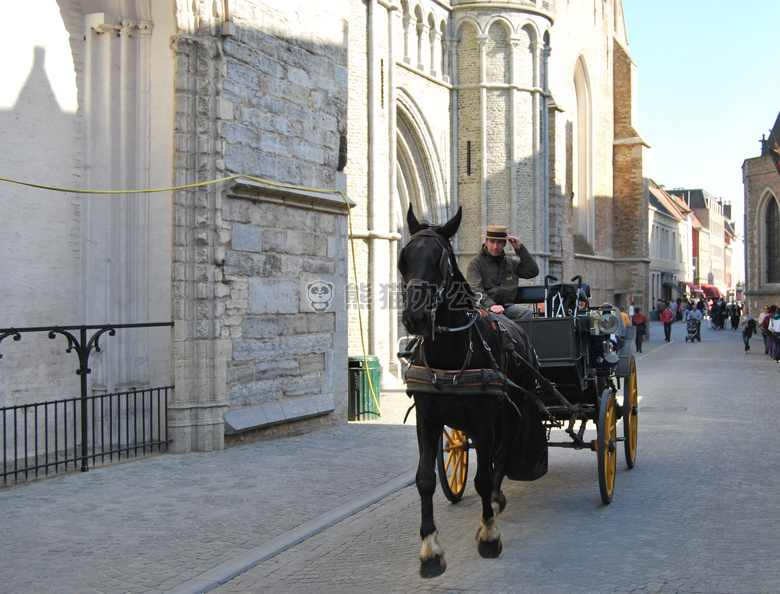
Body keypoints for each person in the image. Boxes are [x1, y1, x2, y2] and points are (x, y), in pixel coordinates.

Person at [465, 224, 539, 321]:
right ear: (486, 242)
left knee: (525, 313)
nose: (495, 246)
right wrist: (491, 306)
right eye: (492, 242)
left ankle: (518, 336)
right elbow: (475, 289)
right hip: (484, 309)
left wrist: (520, 249)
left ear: (504, 244)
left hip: (506, 308)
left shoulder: (510, 263)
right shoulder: (475, 263)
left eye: (499, 242)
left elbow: (532, 271)